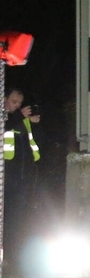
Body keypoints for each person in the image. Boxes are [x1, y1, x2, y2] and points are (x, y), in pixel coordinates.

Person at [2, 87, 41, 255]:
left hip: (24, 177)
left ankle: (13, 253)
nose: (17, 106)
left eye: (20, 103)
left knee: (19, 217)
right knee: (7, 216)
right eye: (14, 102)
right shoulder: (7, 117)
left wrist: (35, 123)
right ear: (4, 99)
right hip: (6, 177)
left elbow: (33, 143)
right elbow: (5, 126)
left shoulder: (22, 119)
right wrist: (20, 115)